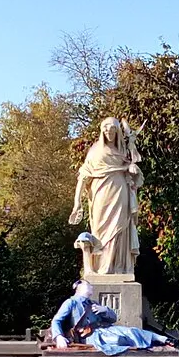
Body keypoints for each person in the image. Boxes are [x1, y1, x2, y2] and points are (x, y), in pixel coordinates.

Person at [70, 117, 140, 276]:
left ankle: (119, 268)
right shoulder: (95, 151)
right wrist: (77, 203)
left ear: (117, 132)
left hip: (120, 191)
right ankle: (101, 268)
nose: (109, 133)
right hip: (100, 193)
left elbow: (133, 161)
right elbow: (83, 177)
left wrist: (131, 166)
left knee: (120, 227)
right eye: (106, 130)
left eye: (113, 130)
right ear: (102, 131)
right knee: (101, 231)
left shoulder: (123, 151)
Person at [46, 282, 175, 355]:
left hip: (105, 329)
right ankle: (144, 344)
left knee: (131, 331)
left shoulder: (93, 303)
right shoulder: (71, 303)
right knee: (117, 340)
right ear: (79, 287)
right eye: (88, 285)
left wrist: (105, 310)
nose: (91, 287)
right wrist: (58, 337)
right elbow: (56, 320)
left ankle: (162, 339)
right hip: (89, 335)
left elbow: (113, 318)